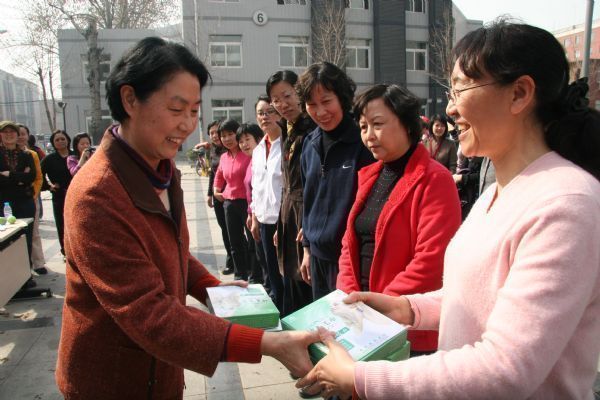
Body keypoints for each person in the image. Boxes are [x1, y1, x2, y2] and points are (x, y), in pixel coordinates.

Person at [298, 20, 600, 399]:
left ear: (519, 93)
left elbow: (504, 369)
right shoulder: (497, 194)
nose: (451, 108)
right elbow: (474, 297)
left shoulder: (565, 204)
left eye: (460, 89)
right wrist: (406, 308)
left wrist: (359, 378)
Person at [56, 37, 318, 399]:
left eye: (194, 111)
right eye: (176, 109)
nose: (187, 125)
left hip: (161, 370)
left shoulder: (160, 169)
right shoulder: (97, 195)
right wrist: (267, 344)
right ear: (130, 99)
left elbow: (170, 249)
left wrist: (211, 287)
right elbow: (149, 314)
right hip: (112, 379)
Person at [335, 84, 462, 354]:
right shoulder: (369, 176)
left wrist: (381, 307)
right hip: (363, 320)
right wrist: (350, 297)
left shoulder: (435, 179)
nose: (369, 135)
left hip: (407, 327)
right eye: (363, 127)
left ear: (406, 124)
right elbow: (349, 244)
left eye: (377, 124)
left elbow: (431, 260)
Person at [297, 61, 374, 300]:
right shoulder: (309, 143)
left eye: (326, 101)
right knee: (322, 319)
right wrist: (307, 249)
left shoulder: (363, 144)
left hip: (351, 260)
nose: (320, 112)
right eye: (312, 104)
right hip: (317, 257)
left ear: (342, 98)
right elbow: (308, 199)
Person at [267, 70, 315, 315]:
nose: (282, 104)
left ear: (300, 93)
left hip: (306, 216)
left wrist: (309, 227)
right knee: (290, 283)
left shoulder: (312, 130)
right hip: (289, 216)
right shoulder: (287, 129)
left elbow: (314, 185)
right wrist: (280, 224)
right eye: (276, 100)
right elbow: (287, 183)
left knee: (305, 285)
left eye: (287, 96)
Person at [249, 95, 285, 311]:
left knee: (285, 275)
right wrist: (254, 217)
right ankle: (277, 311)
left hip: (282, 222)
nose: (265, 117)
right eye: (261, 113)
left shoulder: (287, 145)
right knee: (271, 273)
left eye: (270, 112)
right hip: (263, 220)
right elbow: (256, 186)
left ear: (279, 113)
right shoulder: (258, 149)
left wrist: (284, 224)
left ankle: (287, 313)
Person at [213, 119, 252, 281]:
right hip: (229, 203)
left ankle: (255, 274)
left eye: (230, 134)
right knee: (234, 241)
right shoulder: (224, 157)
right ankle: (239, 274)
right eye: (223, 136)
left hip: (247, 203)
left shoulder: (248, 153)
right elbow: (219, 175)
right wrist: (216, 190)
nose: (227, 139)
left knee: (252, 240)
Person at [0, 120, 37, 270]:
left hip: (25, 202)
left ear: (17, 135)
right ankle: (10, 276)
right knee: (6, 239)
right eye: (5, 132)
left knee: (26, 238)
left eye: (12, 132)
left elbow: (31, 177)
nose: (9, 135)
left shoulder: (26, 155)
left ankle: (26, 273)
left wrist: (9, 174)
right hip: (3, 203)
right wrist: (20, 178)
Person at [203, 120, 235, 275]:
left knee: (234, 230)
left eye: (217, 132)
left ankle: (241, 260)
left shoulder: (230, 149)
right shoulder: (214, 150)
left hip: (231, 196)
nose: (215, 136)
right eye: (211, 133)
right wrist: (210, 193)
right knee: (224, 229)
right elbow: (213, 173)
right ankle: (231, 259)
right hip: (218, 196)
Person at [237, 122, 266, 285]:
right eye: (241, 141)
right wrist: (250, 214)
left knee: (266, 258)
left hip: (264, 216)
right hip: (255, 214)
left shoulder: (262, 161)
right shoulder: (252, 161)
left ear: (259, 139)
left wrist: (253, 216)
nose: (244, 144)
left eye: (247, 139)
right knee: (260, 255)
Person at [17, 123, 47, 275]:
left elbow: (38, 178)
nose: (20, 137)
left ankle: (38, 263)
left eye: (23, 134)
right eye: (18, 134)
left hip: (31, 197)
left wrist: (33, 195)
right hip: (12, 199)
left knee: (34, 232)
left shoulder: (32, 154)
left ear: (28, 136)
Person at [40, 129, 72, 259]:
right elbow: (39, 174)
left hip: (75, 193)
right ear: (53, 143)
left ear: (68, 140)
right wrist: (49, 186)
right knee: (61, 224)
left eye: (63, 139)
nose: (60, 141)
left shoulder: (75, 155)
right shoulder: (49, 159)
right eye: (57, 140)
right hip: (59, 196)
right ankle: (65, 251)